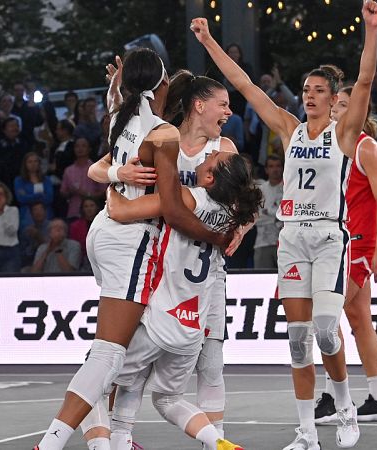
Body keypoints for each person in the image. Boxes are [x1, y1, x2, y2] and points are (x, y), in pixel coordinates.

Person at [193, 2, 377, 448]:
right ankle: (306, 433)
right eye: (306, 89)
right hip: (292, 237)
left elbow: (367, 79)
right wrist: (207, 41)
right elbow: (241, 83)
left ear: (335, 97)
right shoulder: (289, 128)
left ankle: (345, 407)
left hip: (330, 237)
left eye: (319, 90)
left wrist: (372, 30)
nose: (310, 95)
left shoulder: (344, 133)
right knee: (298, 343)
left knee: (324, 332)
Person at [33, 48, 230, 450]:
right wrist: (215, 236)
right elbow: (174, 209)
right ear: (162, 86)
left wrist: (115, 178)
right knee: (109, 355)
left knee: (114, 351)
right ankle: (56, 442)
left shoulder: (121, 112)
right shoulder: (165, 133)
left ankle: (110, 439)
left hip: (104, 230)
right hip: (132, 238)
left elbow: (101, 165)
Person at [88, 67, 241, 442]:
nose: (230, 113)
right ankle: (122, 435)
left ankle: (114, 434)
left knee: (206, 362)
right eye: (223, 104)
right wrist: (118, 173)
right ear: (199, 105)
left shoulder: (222, 152)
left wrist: (239, 228)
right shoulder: (163, 136)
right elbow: (100, 166)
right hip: (160, 262)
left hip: (198, 272)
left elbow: (244, 203)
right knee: (138, 367)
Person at [98, 150, 259, 450]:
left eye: (213, 157)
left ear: (210, 177)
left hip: (160, 315)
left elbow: (119, 210)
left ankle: (109, 442)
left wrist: (114, 185)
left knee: (99, 381)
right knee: (169, 399)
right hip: (191, 328)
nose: (209, 151)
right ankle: (219, 442)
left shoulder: (185, 199)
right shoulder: (232, 215)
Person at [315, 86, 377, 424]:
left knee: (326, 319)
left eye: (344, 104)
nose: (335, 109)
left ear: (359, 109)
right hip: (341, 242)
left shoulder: (367, 147)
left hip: (359, 244)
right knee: (360, 321)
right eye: (335, 104)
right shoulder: (333, 147)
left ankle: (335, 396)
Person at [254, 155, 283, 269]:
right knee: (261, 281)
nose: (275, 169)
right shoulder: (260, 190)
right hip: (262, 242)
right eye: (271, 166)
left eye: (278, 166)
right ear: (266, 170)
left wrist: (267, 212)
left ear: (283, 168)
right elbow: (256, 217)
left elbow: (290, 215)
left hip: (284, 243)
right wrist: (277, 216)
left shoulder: (290, 188)